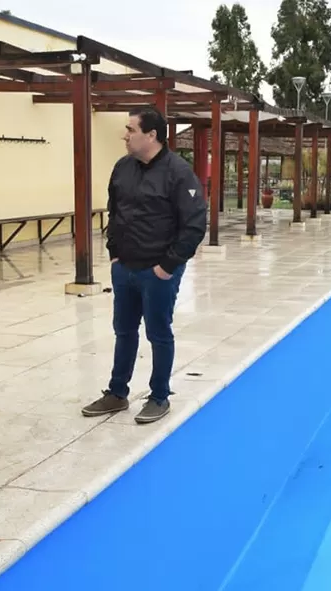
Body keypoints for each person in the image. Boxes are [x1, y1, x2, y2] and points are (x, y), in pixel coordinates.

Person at [81, 107, 206, 425]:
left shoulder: (179, 172)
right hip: (124, 269)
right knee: (123, 331)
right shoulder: (122, 168)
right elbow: (114, 210)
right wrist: (114, 254)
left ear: (151, 135)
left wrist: (167, 266)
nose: (125, 134)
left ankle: (159, 396)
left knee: (158, 332)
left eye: (130, 129)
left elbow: (194, 225)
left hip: (158, 272)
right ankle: (117, 393)